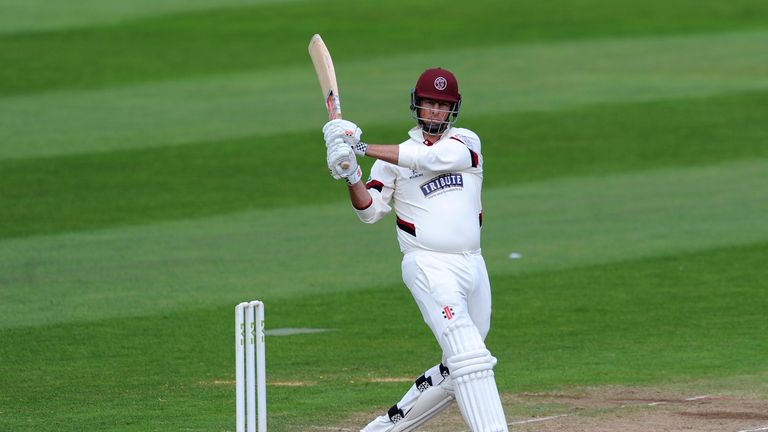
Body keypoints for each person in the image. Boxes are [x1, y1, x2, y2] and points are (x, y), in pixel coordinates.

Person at [323, 67, 508, 432]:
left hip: (473, 265)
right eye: (429, 104)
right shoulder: (390, 162)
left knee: (459, 370)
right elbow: (369, 211)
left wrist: (358, 147)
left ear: (452, 109)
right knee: (470, 356)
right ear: (417, 105)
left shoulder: (467, 143)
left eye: (443, 105)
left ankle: (380, 430)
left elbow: (427, 160)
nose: (435, 112)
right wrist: (350, 173)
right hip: (428, 265)